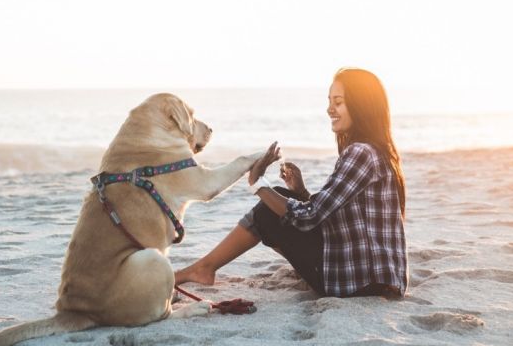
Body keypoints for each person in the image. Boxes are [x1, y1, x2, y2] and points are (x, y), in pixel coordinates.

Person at [174, 68, 407, 298]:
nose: (329, 109)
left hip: (357, 281)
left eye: (338, 102)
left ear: (361, 105)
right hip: (378, 278)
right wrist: (301, 192)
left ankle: (204, 268)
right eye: (329, 101)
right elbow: (338, 215)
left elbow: (311, 217)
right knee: (286, 199)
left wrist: (258, 185)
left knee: (269, 210)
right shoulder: (376, 152)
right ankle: (205, 267)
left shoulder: (360, 153)